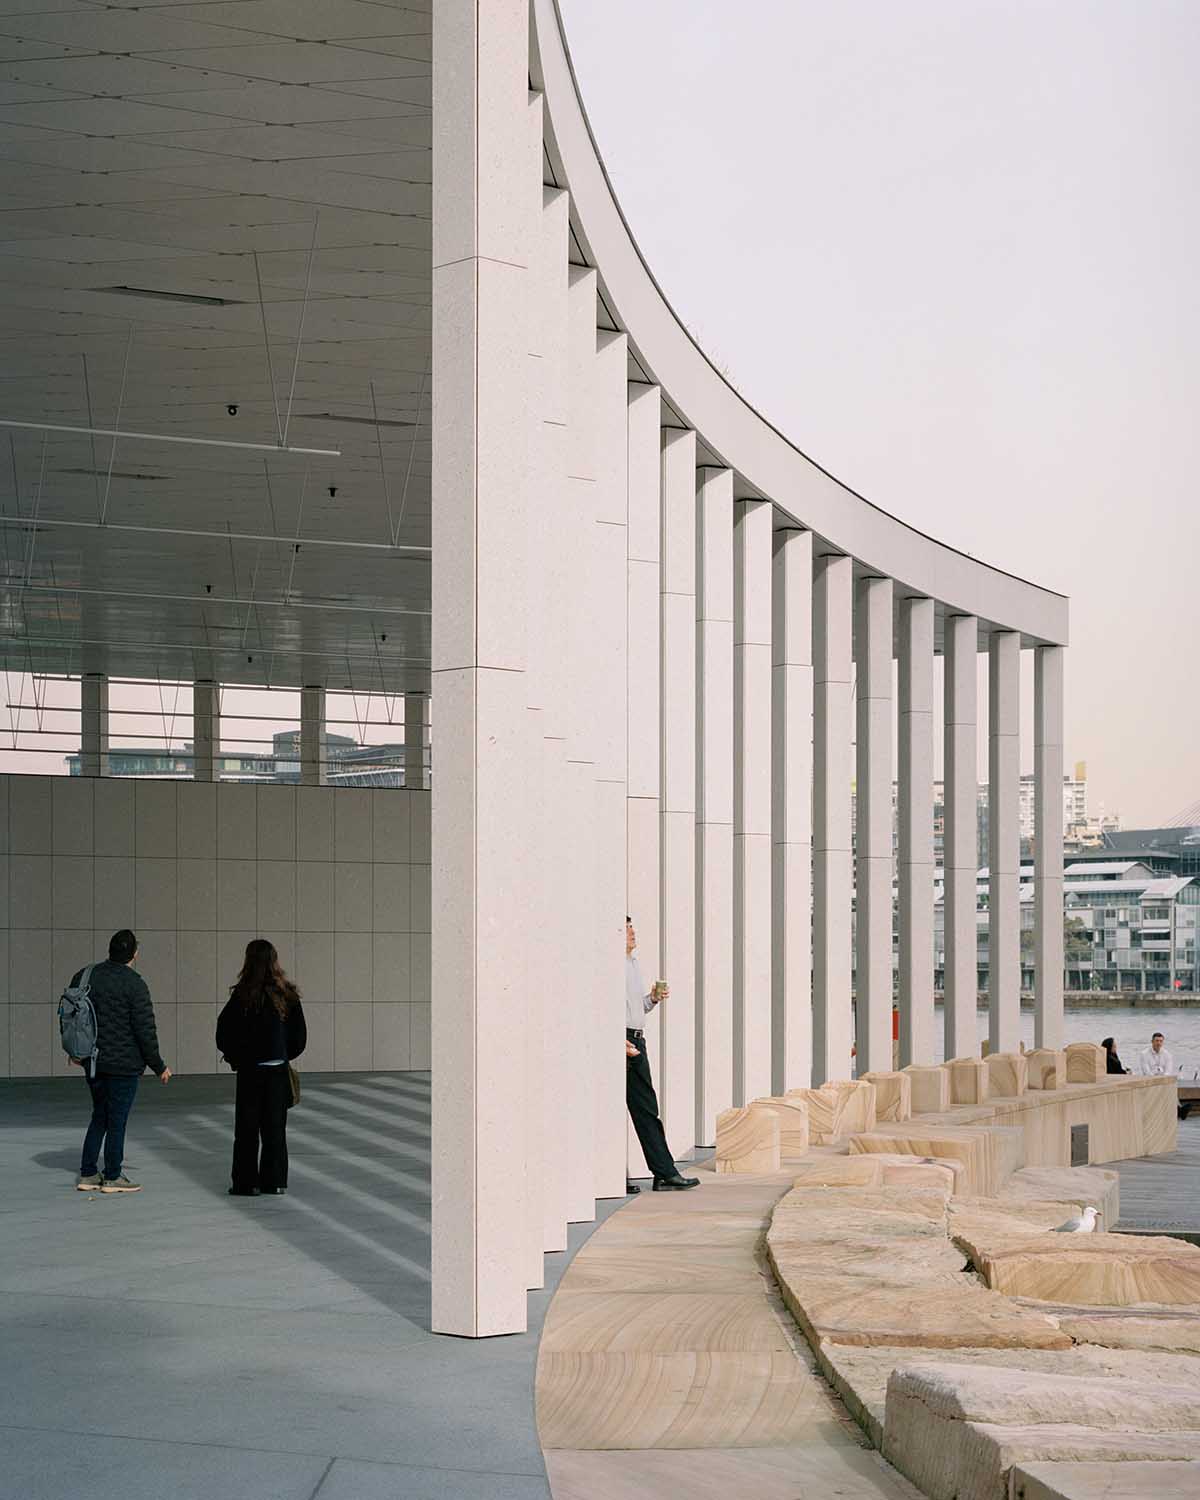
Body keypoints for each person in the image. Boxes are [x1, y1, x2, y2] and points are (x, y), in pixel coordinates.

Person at [72, 929, 171, 1194]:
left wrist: (74, 1050)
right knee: (117, 1120)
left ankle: (88, 1173)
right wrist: (159, 1066)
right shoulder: (135, 984)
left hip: (92, 1061)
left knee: (99, 1116)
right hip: (124, 1066)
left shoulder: (86, 976)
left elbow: (73, 1017)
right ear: (134, 954)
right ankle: (113, 1176)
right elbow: (145, 1031)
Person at [216, 939, 306, 1197]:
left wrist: (236, 1058)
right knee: (275, 1129)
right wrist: (284, 1054)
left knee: (246, 1129)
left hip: (250, 1072)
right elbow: (299, 1037)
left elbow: (223, 1032)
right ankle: (275, 1182)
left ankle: (246, 1183)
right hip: (277, 1070)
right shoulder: (287, 994)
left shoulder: (243, 994)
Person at [625, 917, 699, 1193]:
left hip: (635, 1040)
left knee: (644, 1109)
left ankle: (662, 1172)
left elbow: (635, 1009)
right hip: (625, 1042)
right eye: (627, 928)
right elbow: (603, 1006)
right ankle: (664, 1172)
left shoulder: (632, 965)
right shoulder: (615, 966)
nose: (632, 932)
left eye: (633, 927)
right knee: (644, 1109)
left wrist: (652, 999)